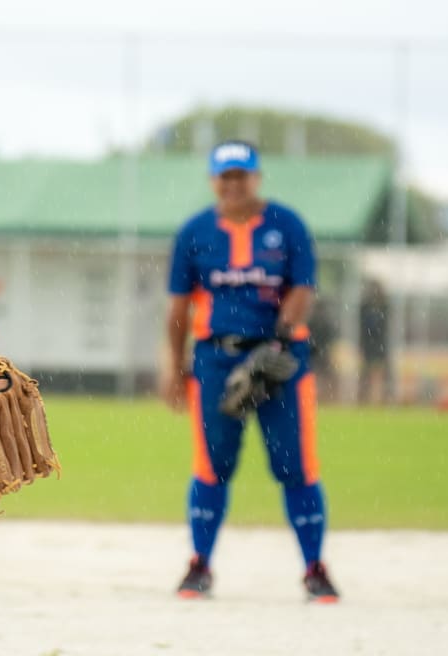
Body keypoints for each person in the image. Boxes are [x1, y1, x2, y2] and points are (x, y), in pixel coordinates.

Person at [161, 140, 339, 602]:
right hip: (215, 359)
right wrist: (173, 366)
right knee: (212, 466)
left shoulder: (286, 224)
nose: (234, 183)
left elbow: (303, 288)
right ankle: (199, 565)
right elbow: (178, 308)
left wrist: (281, 336)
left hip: (281, 359)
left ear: (257, 178)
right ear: (213, 181)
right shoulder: (196, 231)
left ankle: (314, 568)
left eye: (242, 175)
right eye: (226, 175)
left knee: (296, 466)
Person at [358, 279, 392, 404]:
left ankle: (380, 398)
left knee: (381, 372)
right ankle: (366, 398)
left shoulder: (385, 306)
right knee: (367, 372)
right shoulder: (365, 306)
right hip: (369, 344)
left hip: (380, 344)